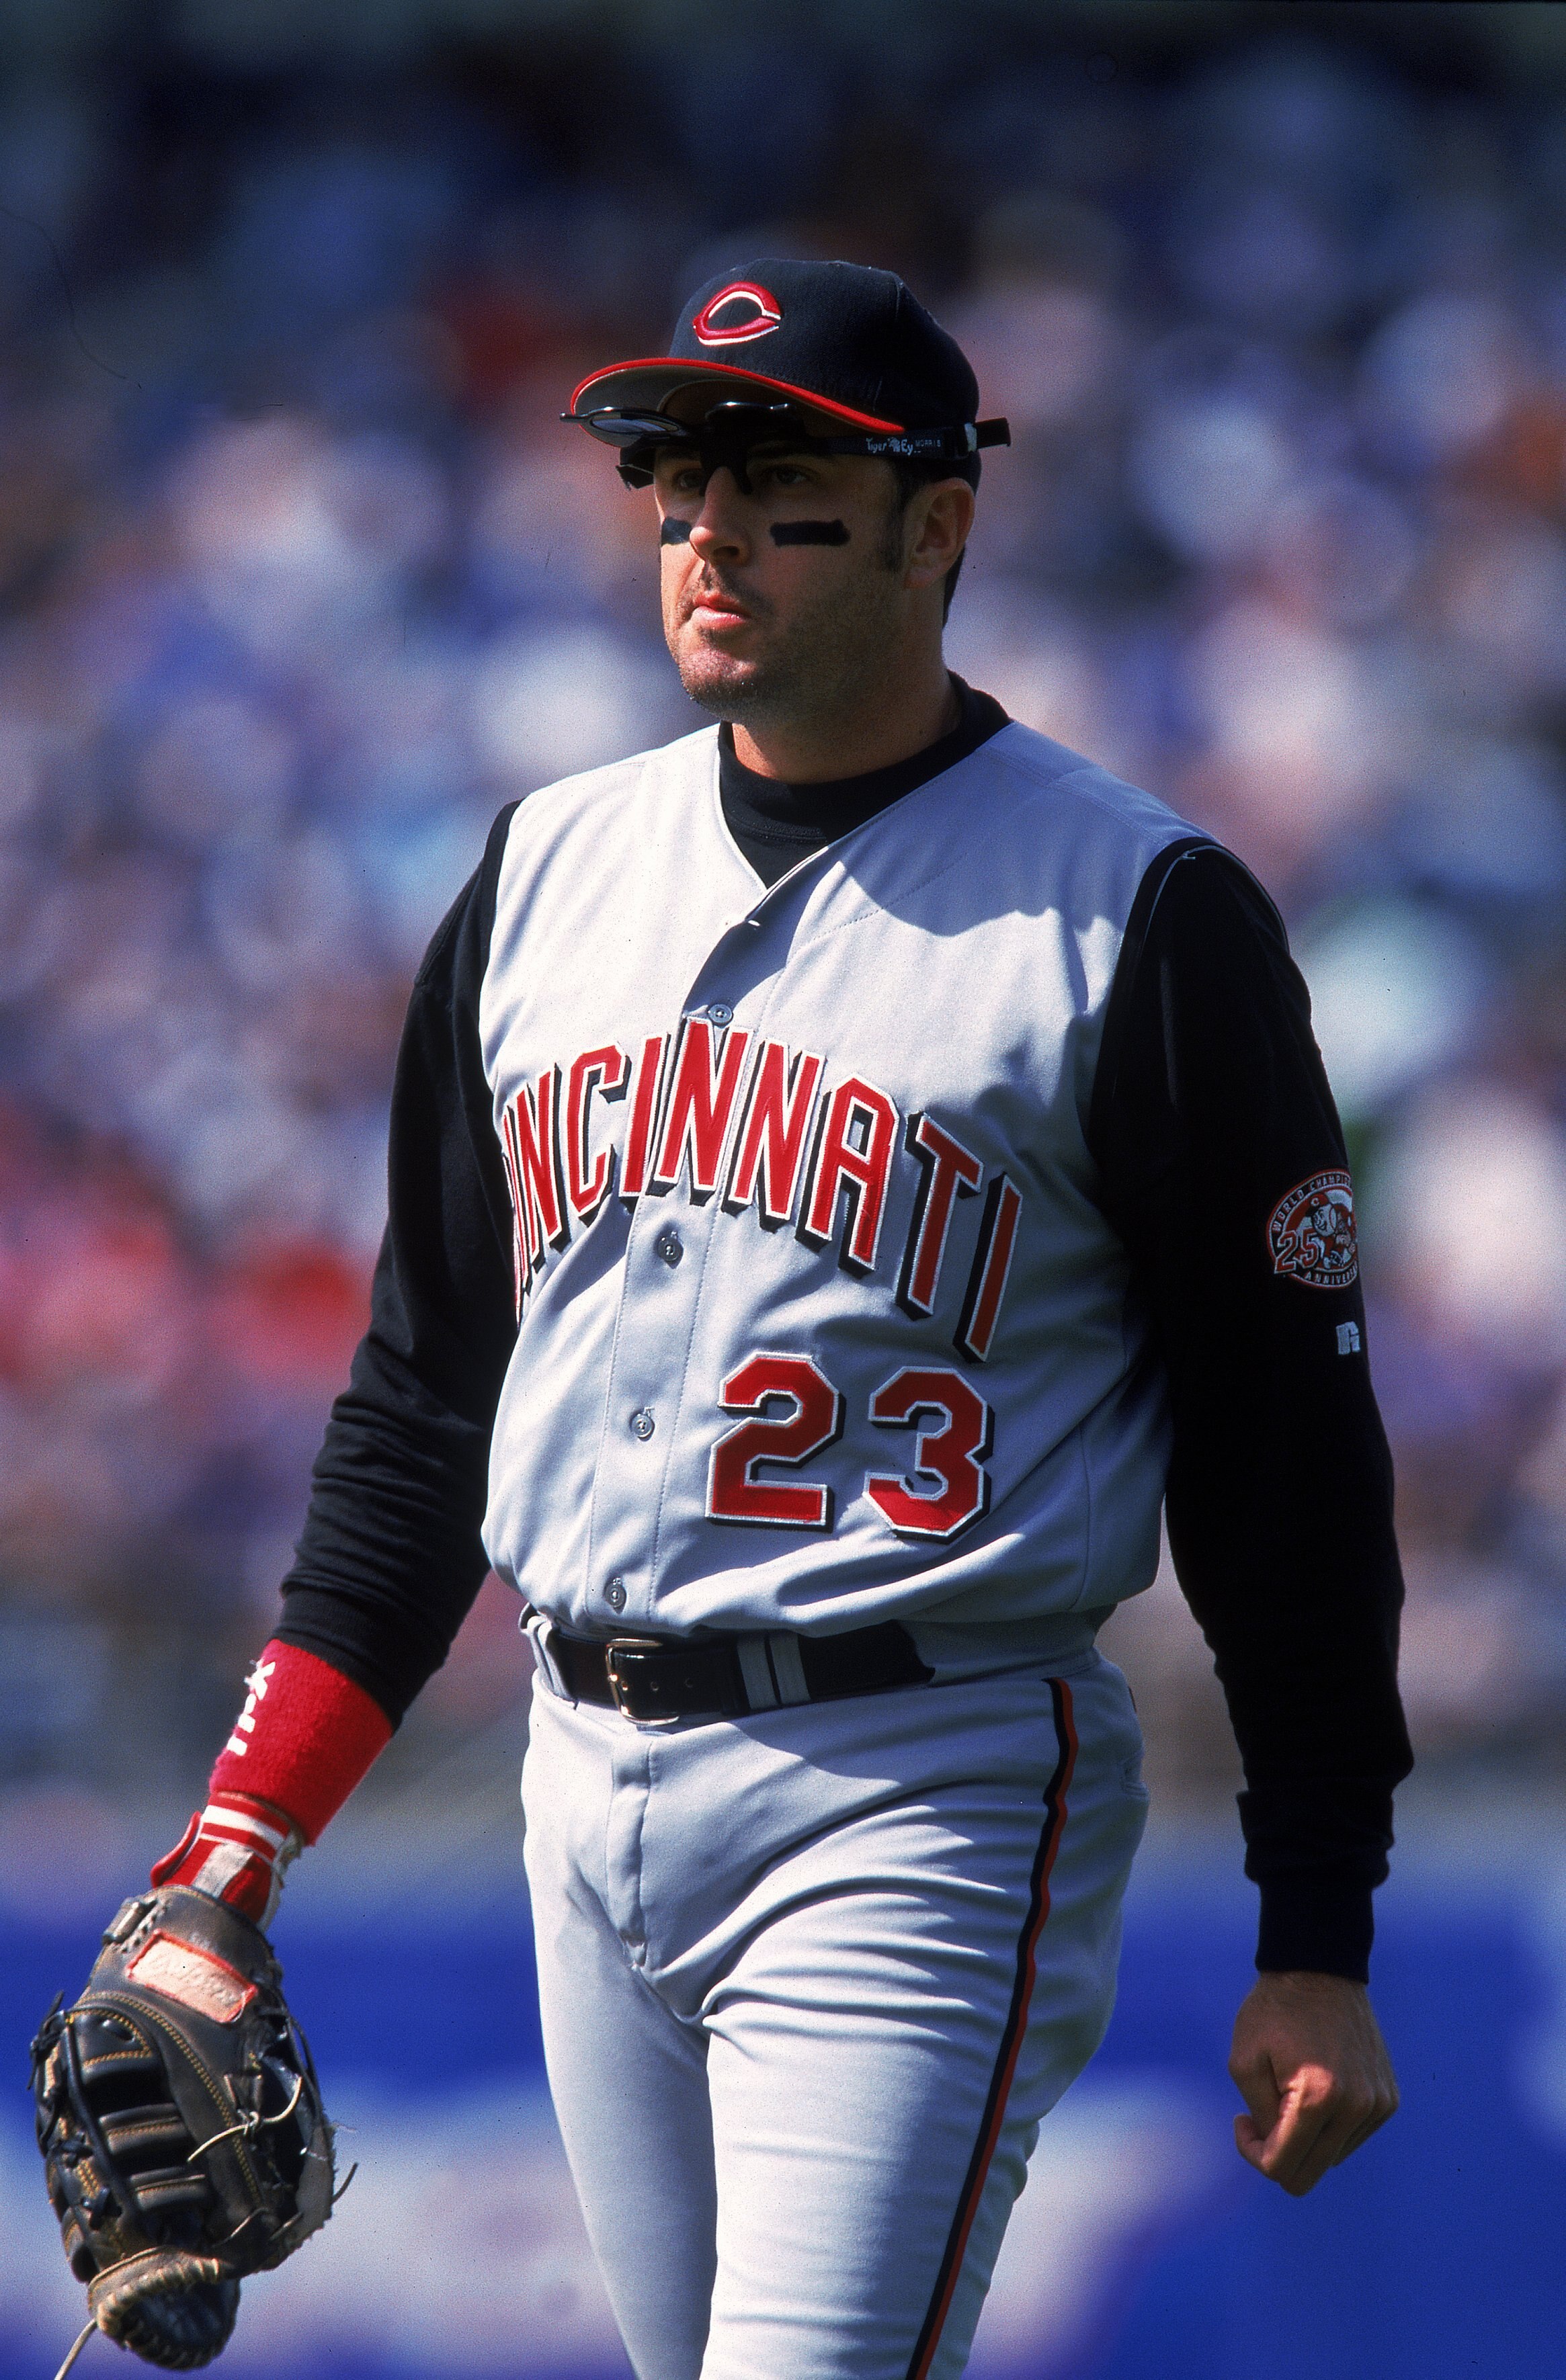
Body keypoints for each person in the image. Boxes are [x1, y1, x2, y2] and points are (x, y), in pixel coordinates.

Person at [145, 259, 1411, 2380]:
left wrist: (1317, 1925)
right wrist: (233, 1854)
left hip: (917, 1783)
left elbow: (1284, 1458)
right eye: (676, 483)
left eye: (781, 486)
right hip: (580, 1779)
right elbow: (429, 1404)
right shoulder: (545, 872)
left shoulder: (1135, 918)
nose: (710, 532)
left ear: (936, 525)